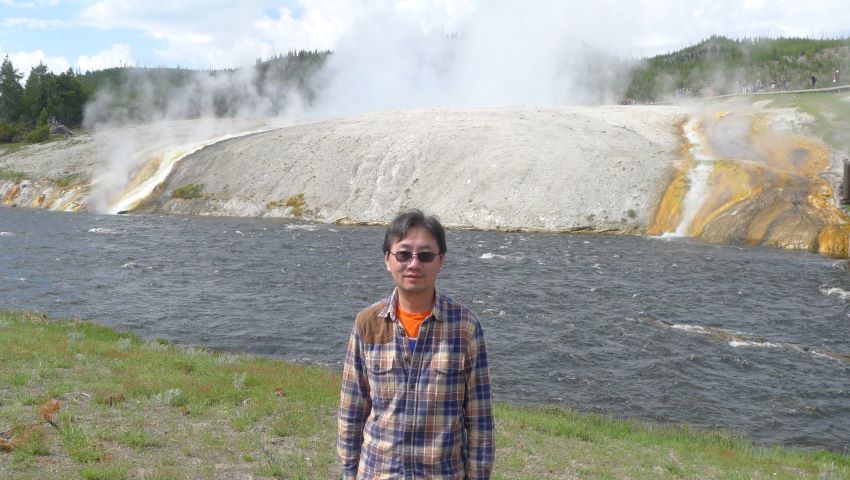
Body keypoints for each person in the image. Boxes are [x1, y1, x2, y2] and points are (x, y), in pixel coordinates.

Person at [338, 209, 494, 479]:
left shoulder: (465, 328)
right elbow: (352, 411)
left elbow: (480, 420)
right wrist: (348, 473)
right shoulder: (367, 324)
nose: (413, 264)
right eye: (403, 254)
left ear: (440, 260)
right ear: (387, 259)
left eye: (425, 256)